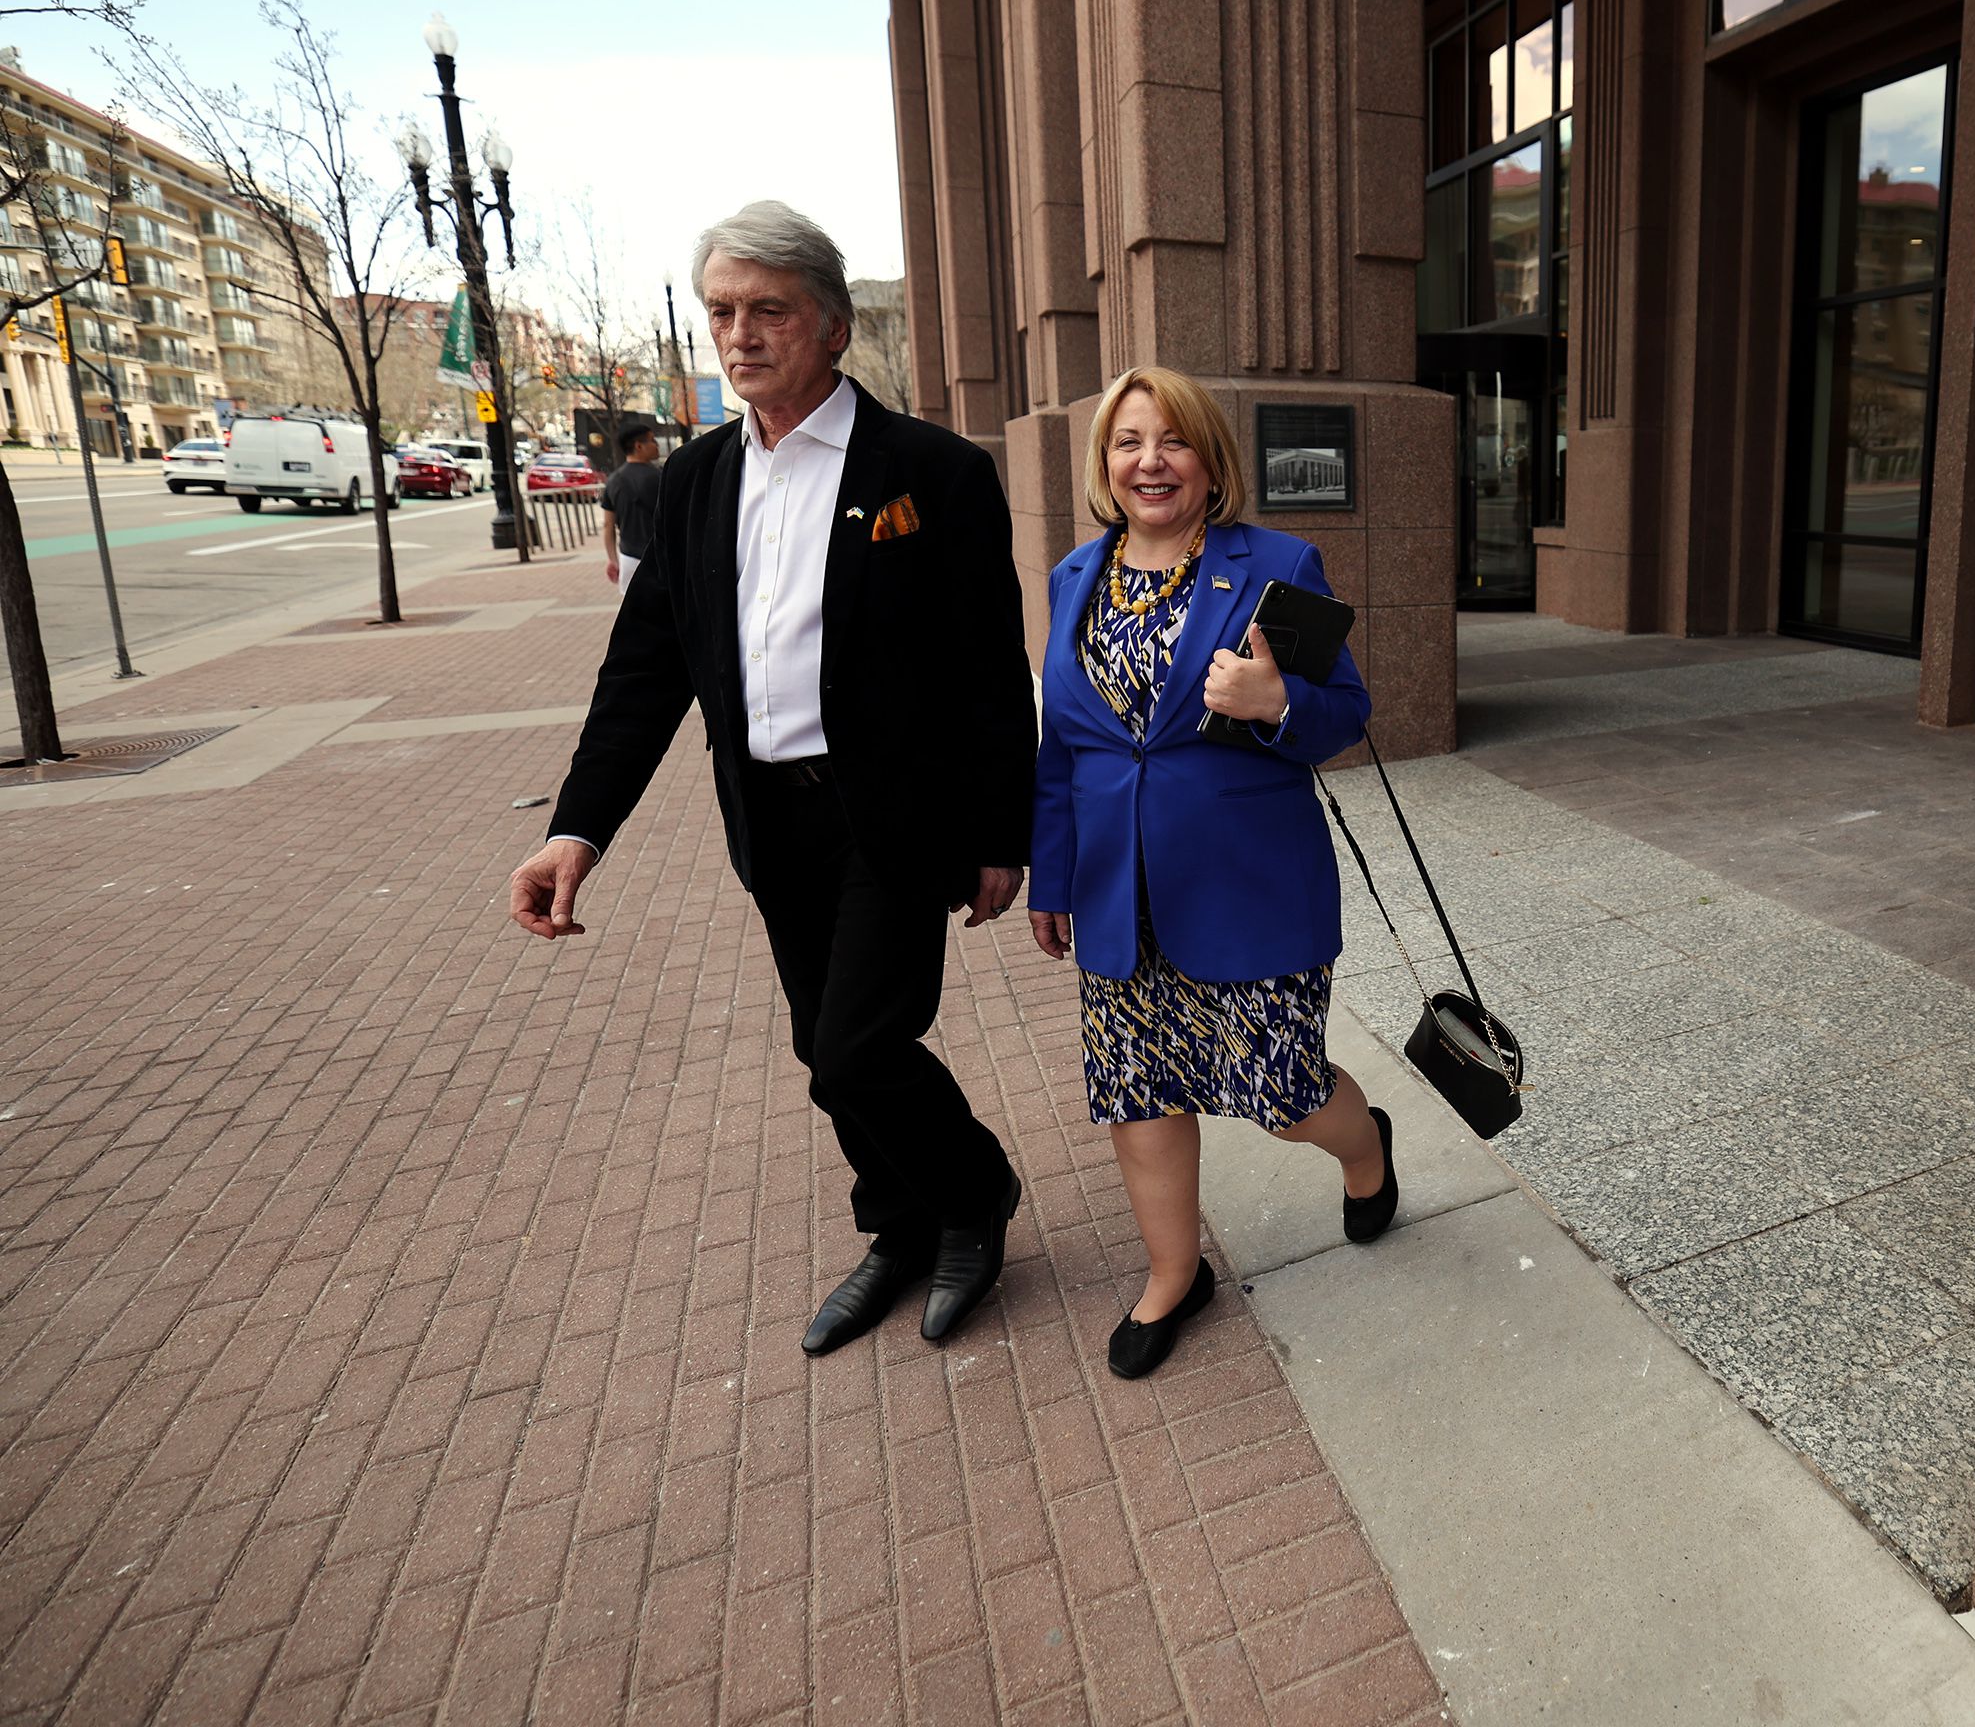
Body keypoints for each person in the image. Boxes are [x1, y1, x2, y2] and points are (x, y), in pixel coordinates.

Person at [505, 200, 1036, 1356]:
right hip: (769, 818)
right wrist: (577, 830)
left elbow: (991, 668)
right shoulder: (694, 485)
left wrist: (1003, 830)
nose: (740, 334)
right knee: (820, 1048)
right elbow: (642, 675)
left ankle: (975, 1191)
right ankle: (896, 1223)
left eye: (768, 310)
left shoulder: (930, 471)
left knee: (858, 1047)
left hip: (892, 820)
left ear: (833, 326)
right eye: (722, 312)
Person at [1028, 366, 1397, 1380]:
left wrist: (1276, 699)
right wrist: (1051, 877)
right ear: (1105, 464)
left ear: (1209, 460)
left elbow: (1349, 711)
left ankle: (1366, 1149)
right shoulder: (1073, 577)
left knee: (1283, 1092)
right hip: (1117, 888)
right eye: (1127, 441)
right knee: (1140, 1088)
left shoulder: (1278, 563)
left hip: (1247, 880)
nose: (1149, 459)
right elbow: (1063, 746)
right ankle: (1173, 1269)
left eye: (1172, 440)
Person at [600, 422, 663, 594]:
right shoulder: (660, 478)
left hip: (628, 558)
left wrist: (613, 560)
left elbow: (608, 525)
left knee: (634, 616)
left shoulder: (613, 481)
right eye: (652, 440)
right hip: (660, 558)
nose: (656, 444)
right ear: (639, 446)